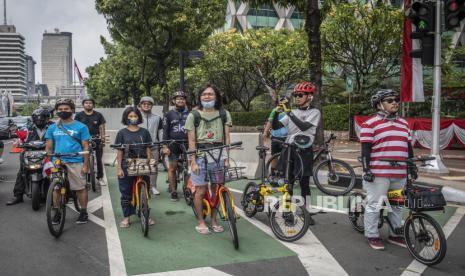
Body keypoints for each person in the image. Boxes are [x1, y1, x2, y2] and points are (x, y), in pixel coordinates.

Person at [360, 89, 413, 250]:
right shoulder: (369, 124)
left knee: (396, 205)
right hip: (379, 173)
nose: (395, 102)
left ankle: (395, 234)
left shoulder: (404, 123)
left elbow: (408, 148)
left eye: (396, 100)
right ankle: (372, 235)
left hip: (400, 173)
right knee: (375, 204)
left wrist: (411, 167)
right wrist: (366, 169)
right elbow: (366, 151)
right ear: (379, 104)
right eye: (390, 100)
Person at [185, 84, 232, 235]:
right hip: (199, 157)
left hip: (218, 157)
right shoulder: (193, 115)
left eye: (211, 94)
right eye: (204, 94)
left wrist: (226, 157)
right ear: (200, 97)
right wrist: (192, 161)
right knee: (200, 190)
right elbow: (191, 140)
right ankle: (201, 221)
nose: (207, 96)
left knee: (216, 189)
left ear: (216, 96)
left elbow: (227, 137)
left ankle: (213, 219)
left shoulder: (224, 114)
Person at [274, 82, 321, 225]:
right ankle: (287, 212)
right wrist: (276, 113)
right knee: (288, 182)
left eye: (300, 95)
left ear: (310, 97)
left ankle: (306, 213)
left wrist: (288, 112)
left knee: (304, 184)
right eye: (295, 95)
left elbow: (304, 126)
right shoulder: (292, 112)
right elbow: (277, 126)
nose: (297, 97)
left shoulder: (315, 112)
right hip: (290, 149)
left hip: (304, 151)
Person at [45, 99, 91, 224]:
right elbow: (48, 147)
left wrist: (86, 165)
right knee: (56, 189)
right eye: (60, 109)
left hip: (76, 161)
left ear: (72, 110)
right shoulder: (52, 127)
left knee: (80, 188)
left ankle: (83, 212)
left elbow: (86, 147)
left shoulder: (81, 127)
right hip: (58, 161)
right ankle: (57, 212)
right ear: (56, 111)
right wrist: (48, 162)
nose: (63, 111)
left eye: (66, 109)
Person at [115, 106, 155, 228]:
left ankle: (145, 213)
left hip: (142, 163)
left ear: (139, 117)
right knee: (126, 192)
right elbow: (119, 151)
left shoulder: (145, 132)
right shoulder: (122, 133)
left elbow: (149, 148)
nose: (133, 118)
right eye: (130, 116)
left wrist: (149, 162)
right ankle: (126, 217)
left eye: (135, 116)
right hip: (126, 164)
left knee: (145, 189)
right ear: (126, 118)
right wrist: (119, 168)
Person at [6, 107, 53, 205]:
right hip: (30, 153)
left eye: (42, 117)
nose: (39, 119)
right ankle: (18, 196)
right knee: (22, 172)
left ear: (47, 118)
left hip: (47, 153)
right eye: (37, 117)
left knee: (53, 172)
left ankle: (57, 195)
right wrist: (18, 141)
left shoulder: (53, 127)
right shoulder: (28, 127)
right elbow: (20, 137)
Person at [162, 91, 189, 201]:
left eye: (182, 98)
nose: (180, 100)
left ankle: (188, 190)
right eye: (178, 99)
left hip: (187, 143)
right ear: (174, 101)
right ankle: (173, 191)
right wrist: (165, 146)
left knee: (189, 168)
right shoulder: (168, 114)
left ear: (185, 100)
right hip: (173, 144)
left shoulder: (190, 113)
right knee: (172, 168)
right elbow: (165, 131)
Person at [75, 97, 107, 184]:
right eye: (86, 103)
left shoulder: (98, 115)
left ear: (93, 105)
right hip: (83, 140)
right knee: (82, 158)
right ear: (83, 105)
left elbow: (102, 127)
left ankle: (100, 177)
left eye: (90, 103)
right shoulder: (79, 115)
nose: (88, 104)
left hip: (96, 138)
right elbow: (76, 128)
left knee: (99, 159)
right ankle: (84, 176)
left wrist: (103, 138)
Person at [138, 96, 163, 195]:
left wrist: (162, 144)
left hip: (154, 145)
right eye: (144, 104)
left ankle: (153, 187)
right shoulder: (136, 116)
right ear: (140, 105)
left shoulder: (157, 118)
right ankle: (141, 185)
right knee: (140, 166)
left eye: (149, 104)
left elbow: (160, 132)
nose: (146, 105)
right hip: (139, 146)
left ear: (152, 106)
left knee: (153, 166)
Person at [263, 95, 290, 171]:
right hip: (275, 137)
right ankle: (273, 172)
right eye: (281, 101)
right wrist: (265, 132)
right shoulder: (274, 110)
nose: (282, 102)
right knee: (274, 156)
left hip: (286, 138)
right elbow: (270, 121)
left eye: (284, 101)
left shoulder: (289, 111)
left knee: (285, 156)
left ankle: (284, 173)